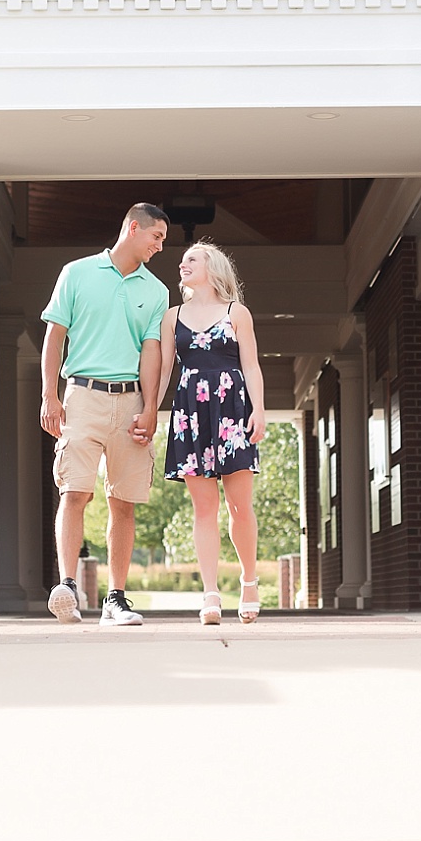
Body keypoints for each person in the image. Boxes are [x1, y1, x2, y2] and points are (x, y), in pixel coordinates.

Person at [40, 203, 170, 627]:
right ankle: (68, 588)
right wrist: (50, 395)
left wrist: (151, 409)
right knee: (74, 492)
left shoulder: (156, 290)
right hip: (82, 396)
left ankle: (116, 599)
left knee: (124, 502)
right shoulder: (76, 273)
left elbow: (152, 351)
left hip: (130, 402)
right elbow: (54, 335)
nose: (160, 247)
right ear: (134, 228)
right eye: (156, 237)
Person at [157, 241, 267, 626]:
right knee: (204, 508)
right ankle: (210, 594)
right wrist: (150, 413)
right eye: (182, 260)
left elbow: (251, 366)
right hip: (191, 413)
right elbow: (165, 369)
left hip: (233, 411)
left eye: (192, 259)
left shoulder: (238, 313)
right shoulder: (172, 317)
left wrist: (259, 410)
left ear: (212, 267)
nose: (182, 264)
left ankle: (249, 582)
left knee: (240, 506)